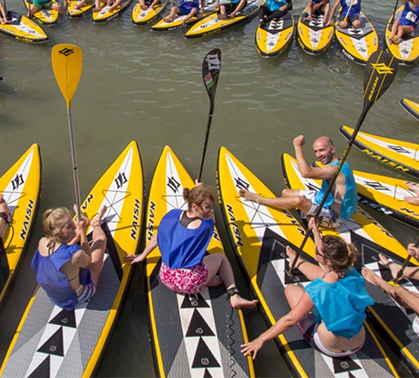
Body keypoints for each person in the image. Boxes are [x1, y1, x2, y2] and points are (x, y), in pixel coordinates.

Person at [241, 218, 372, 359]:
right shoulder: (353, 274)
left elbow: (290, 320)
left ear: (328, 261)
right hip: (358, 342)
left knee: (291, 289)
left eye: (316, 250)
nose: (314, 249)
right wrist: (316, 231)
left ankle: (297, 264)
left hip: (329, 346)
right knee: (328, 276)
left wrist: (260, 339)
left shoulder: (318, 289)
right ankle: (297, 262)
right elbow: (325, 268)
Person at [126, 183, 257, 308]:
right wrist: (201, 191)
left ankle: (207, 281)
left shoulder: (173, 215)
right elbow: (212, 220)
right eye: (207, 207)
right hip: (190, 283)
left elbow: (156, 238)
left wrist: (142, 255)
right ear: (195, 207)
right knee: (222, 259)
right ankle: (234, 295)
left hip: (166, 277)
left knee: (218, 279)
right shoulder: (205, 226)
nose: (211, 210)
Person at [239, 135, 356, 228]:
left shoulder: (334, 169)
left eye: (322, 150)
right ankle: (298, 211)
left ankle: (258, 198)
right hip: (323, 199)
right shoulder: (338, 162)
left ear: (332, 149)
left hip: (333, 216)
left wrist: (298, 147)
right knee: (285, 193)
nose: (318, 155)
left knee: (298, 200)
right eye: (316, 151)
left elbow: (306, 173)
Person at [32, 205, 108, 311]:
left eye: (73, 222)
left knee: (67, 256)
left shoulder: (43, 242)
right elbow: (88, 259)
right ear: (57, 233)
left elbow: (59, 253)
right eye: (69, 227)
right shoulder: (75, 254)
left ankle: (82, 226)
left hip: (56, 297)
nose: (75, 227)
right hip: (78, 296)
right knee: (101, 239)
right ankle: (95, 223)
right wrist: (82, 232)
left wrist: (77, 234)